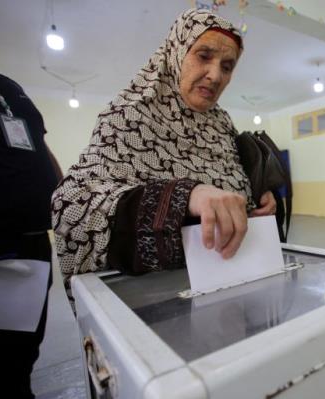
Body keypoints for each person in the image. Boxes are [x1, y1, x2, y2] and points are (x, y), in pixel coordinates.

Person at [52, 9, 276, 280]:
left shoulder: (222, 125)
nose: (215, 75)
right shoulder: (130, 115)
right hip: (155, 295)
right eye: (204, 56)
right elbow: (71, 205)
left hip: (228, 276)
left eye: (227, 67)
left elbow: (232, 191)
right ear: (176, 52)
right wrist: (184, 196)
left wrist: (258, 199)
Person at [0, 27, 62, 398]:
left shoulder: (9, 86)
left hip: (32, 244)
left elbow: (39, 145)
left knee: (23, 352)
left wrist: (67, 199)